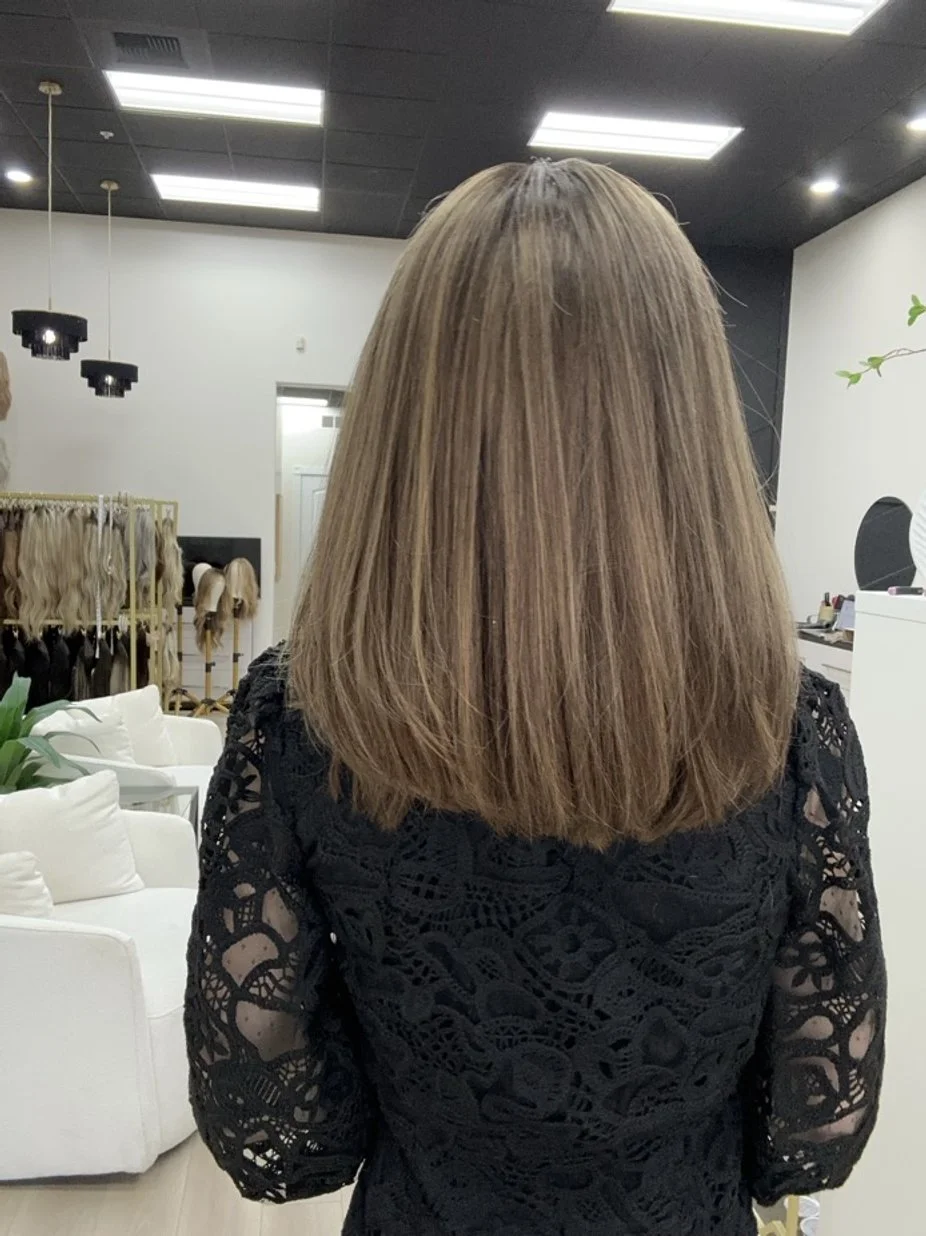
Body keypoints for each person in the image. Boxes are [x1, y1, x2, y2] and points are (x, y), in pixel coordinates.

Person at [185, 160, 885, 1236]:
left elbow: (275, 1133)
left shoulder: (300, 722)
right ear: (686, 427)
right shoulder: (785, 733)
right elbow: (812, 1129)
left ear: (404, 427)